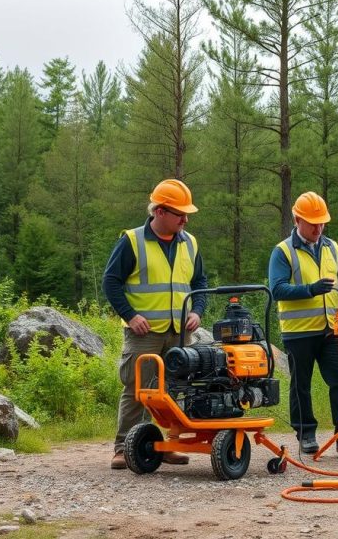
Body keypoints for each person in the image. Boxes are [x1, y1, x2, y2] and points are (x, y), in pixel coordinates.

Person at [103, 179, 208, 470]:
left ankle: (166, 445)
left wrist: (198, 310)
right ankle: (124, 448)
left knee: (174, 391)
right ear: (160, 212)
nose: (185, 220)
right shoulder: (132, 241)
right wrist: (130, 315)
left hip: (180, 335)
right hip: (144, 333)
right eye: (180, 214)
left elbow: (200, 281)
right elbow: (111, 282)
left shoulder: (190, 242)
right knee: (138, 389)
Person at [268, 191, 338, 454]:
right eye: (312, 222)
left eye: (322, 222)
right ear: (297, 220)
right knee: (300, 384)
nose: (318, 227)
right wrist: (310, 289)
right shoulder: (282, 251)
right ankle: (305, 434)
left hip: (331, 329)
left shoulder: (332, 247)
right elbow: (277, 289)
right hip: (298, 333)